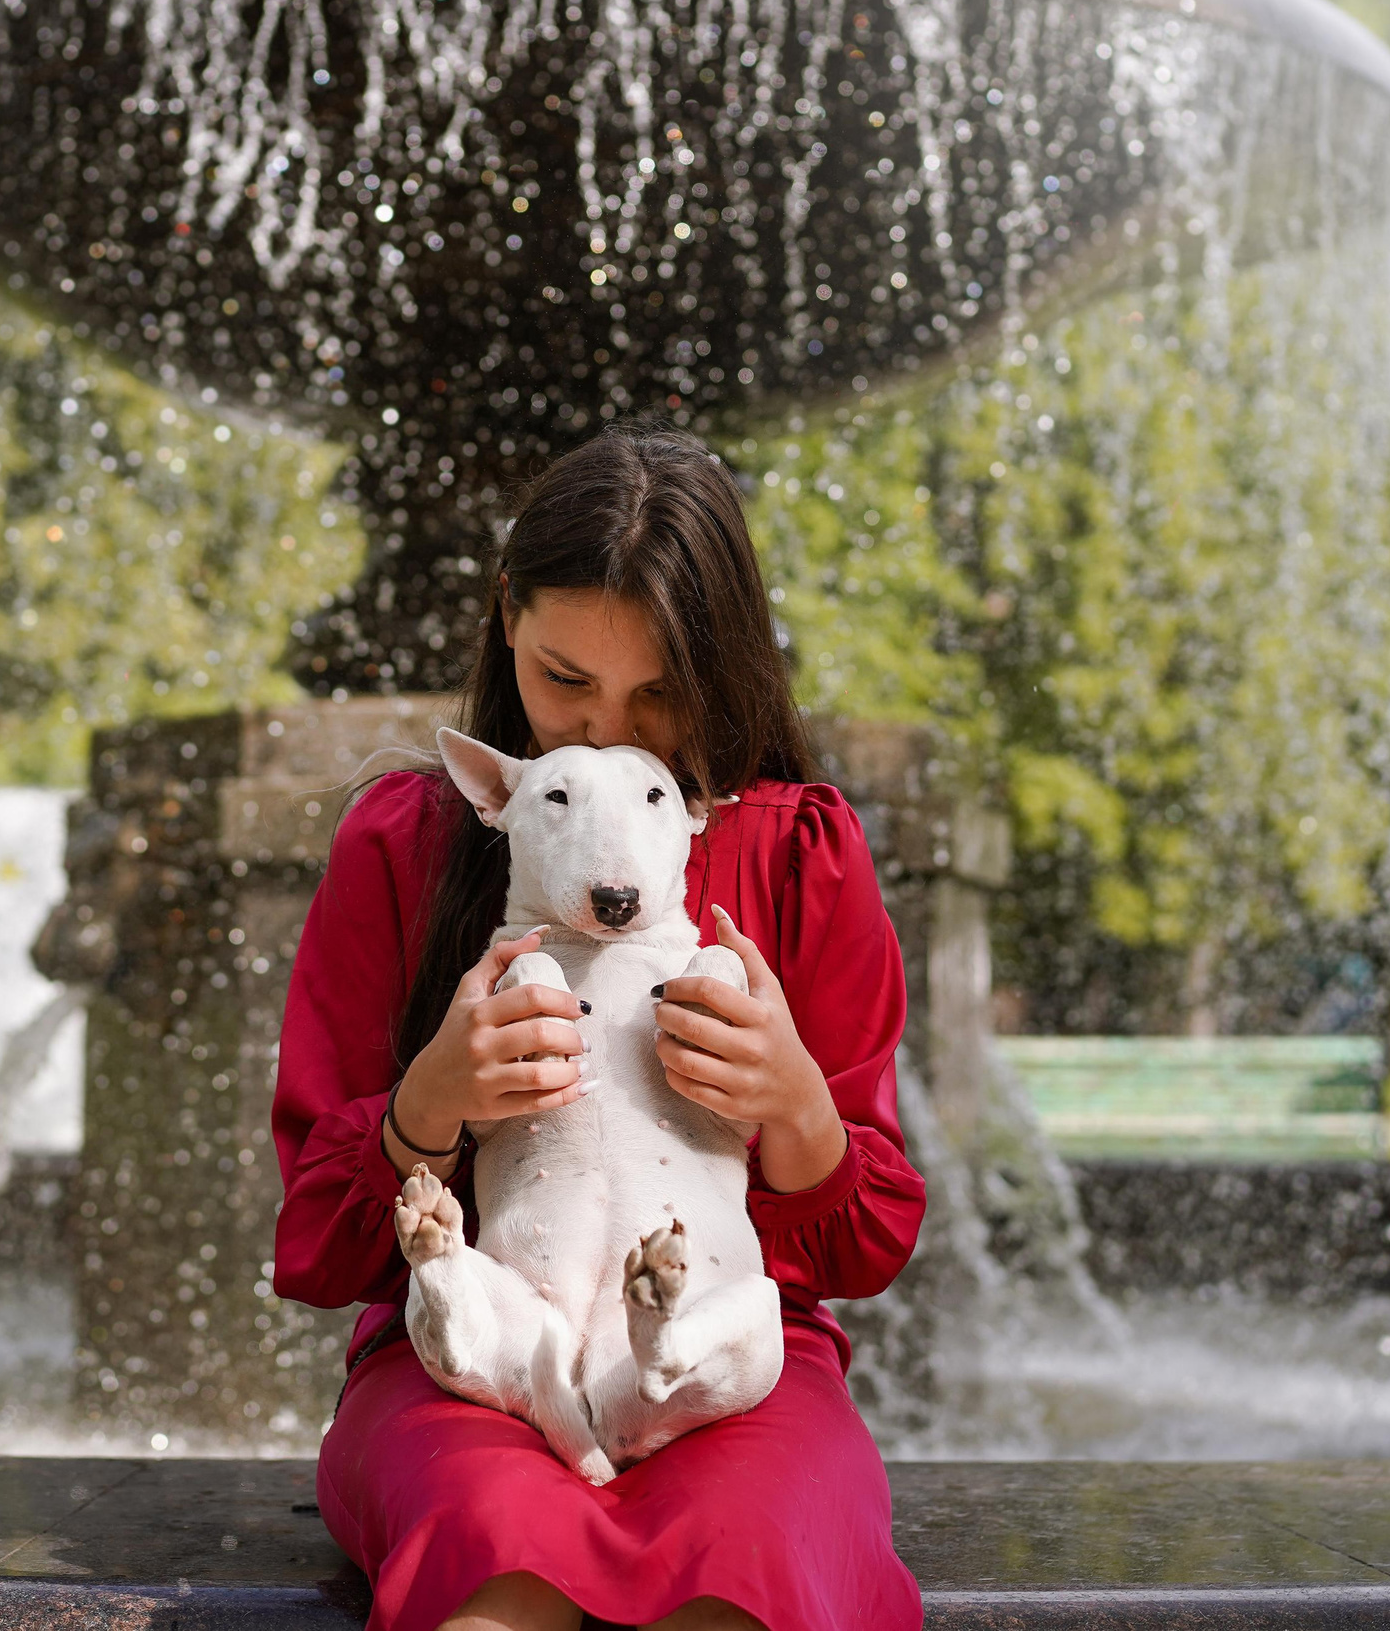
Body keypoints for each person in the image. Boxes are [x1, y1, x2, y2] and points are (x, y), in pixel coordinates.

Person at [270, 422, 928, 1631]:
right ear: (504, 615)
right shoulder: (405, 846)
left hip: (725, 1366)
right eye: (565, 680)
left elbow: (866, 1247)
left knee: (746, 1569)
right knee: (492, 1564)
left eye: (660, 696)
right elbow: (315, 1243)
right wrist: (428, 1109)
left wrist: (791, 1110)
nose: (599, 731)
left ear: (721, 671)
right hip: (467, 1373)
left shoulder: (797, 851)